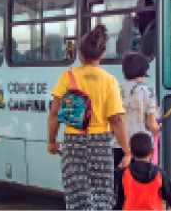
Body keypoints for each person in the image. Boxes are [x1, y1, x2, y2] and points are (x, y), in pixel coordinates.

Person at [47, 24, 131, 210]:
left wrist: (52, 141)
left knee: (76, 194)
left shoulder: (67, 76)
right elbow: (116, 120)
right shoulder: (109, 80)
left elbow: (54, 114)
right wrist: (127, 151)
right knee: (102, 194)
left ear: (79, 54)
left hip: (73, 142)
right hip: (100, 144)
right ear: (102, 54)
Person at [113, 52, 161, 168]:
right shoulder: (148, 91)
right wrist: (157, 130)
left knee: (121, 182)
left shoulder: (116, 90)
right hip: (141, 148)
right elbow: (151, 124)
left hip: (119, 144)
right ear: (144, 71)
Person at [113, 132, 171, 210]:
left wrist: (125, 159)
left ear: (131, 152)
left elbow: (120, 200)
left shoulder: (124, 174)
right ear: (152, 151)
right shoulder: (159, 173)